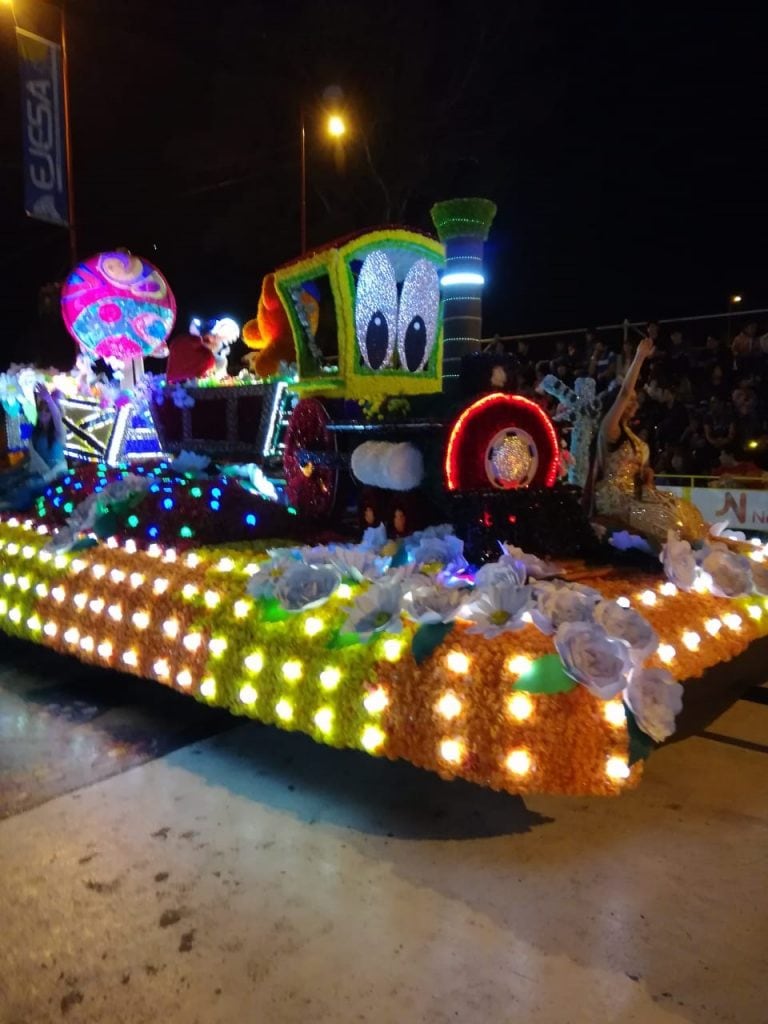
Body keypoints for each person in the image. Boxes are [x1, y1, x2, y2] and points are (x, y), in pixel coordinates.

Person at [594, 338, 705, 546]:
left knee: (686, 512)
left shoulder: (631, 435)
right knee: (670, 522)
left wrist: (647, 473)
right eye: (629, 399)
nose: (634, 401)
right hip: (616, 500)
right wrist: (639, 357)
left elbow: (641, 469)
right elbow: (626, 391)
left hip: (639, 494)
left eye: (635, 399)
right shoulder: (609, 429)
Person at [0, 384, 67, 510]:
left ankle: (10, 506)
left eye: (47, 411)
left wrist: (48, 399)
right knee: (7, 478)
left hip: (53, 475)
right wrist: (13, 469)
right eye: (41, 409)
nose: (43, 413)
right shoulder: (36, 432)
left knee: (28, 485)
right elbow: (30, 457)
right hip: (35, 470)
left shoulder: (59, 432)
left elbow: (57, 417)